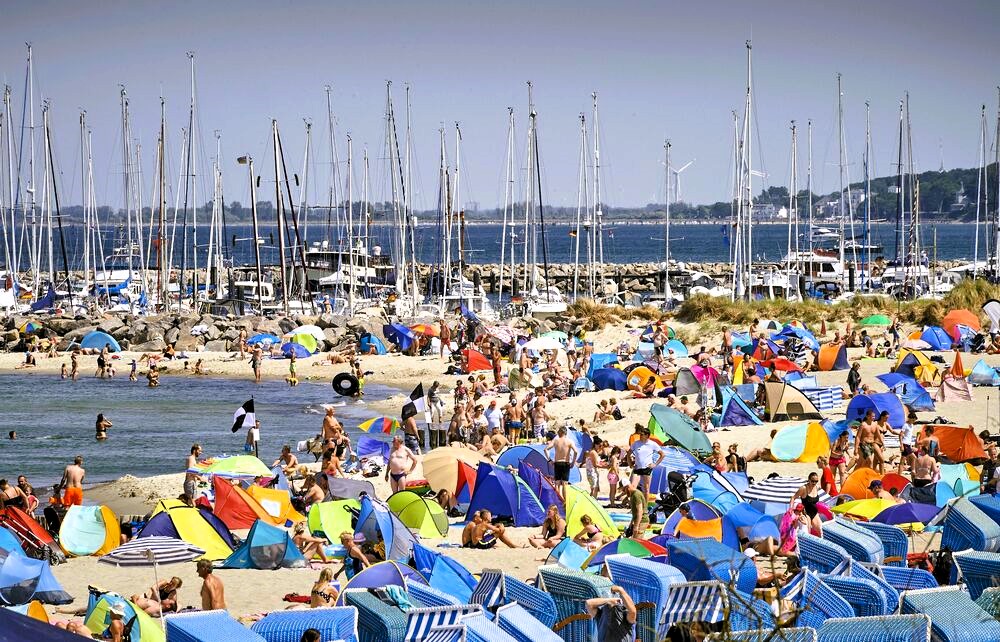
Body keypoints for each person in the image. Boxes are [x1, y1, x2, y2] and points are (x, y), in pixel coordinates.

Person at [629, 426, 666, 494]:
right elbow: (628, 453)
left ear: (647, 435)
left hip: (647, 468)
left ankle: (645, 504)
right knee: (632, 487)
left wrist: (655, 464)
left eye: (642, 434)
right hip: (637, 468)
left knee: (646, 489)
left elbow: (662, 455)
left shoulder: (652, 444)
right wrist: (630, 464)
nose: (640, 435)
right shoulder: (636, 443)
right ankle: (633, 504)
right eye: (640, 434)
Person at [544, 426, 578, 498]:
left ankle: (558, 501)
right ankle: (565, 502)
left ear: (562, 432)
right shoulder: (569, 441)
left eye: (558, 431)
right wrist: (573, 462)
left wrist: (549, 460)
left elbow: (546, 449)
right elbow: (576, 452)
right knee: (565, 484)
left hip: (557, 463)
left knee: (557, 483)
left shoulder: (556, 440)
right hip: (566, 463)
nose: (557, 433)